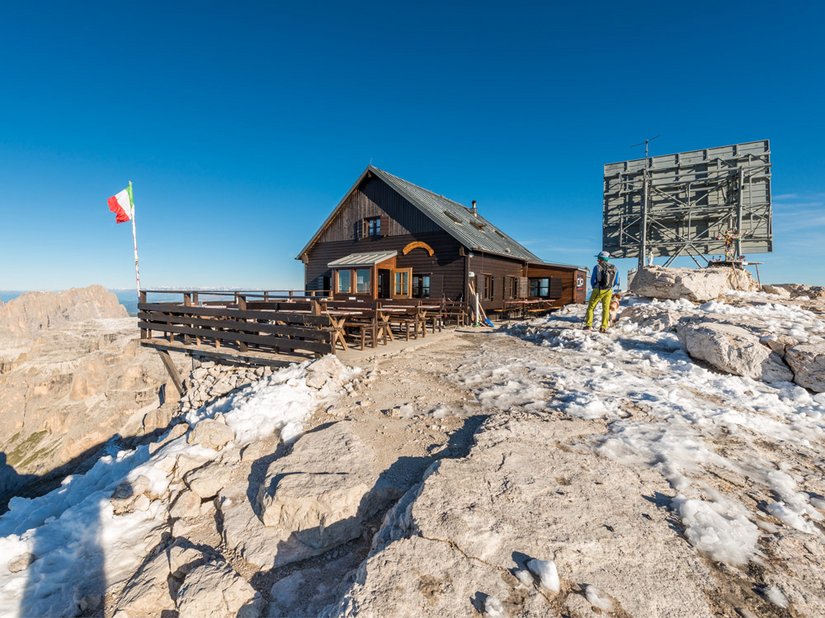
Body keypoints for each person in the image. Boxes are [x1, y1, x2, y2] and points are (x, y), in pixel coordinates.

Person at [584, 250, 619, 333]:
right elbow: (616, 282)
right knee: (606, 309)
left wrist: (595, 287)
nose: (597, 260)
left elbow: (593, 280)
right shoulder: (615, 268)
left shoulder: (597, 267)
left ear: (601, 259)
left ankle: (589, 325)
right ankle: (603, 327)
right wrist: (609, 287)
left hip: (598, 290)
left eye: (598, 258)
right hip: (609, 290)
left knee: (591, 307)